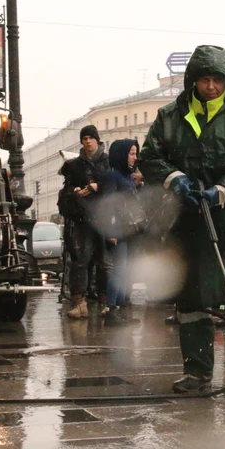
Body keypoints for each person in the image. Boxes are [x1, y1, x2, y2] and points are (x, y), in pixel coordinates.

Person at [139, 45, 225, 396]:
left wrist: (221, 190)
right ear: (193, 82)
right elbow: (150, 157)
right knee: (192, 298)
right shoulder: (170, 116)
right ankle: (198, 372)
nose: (211, 87)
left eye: (217, 80)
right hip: (188, 215)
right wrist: (176, 178)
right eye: (204, 80)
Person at [57, 125, 111, 319]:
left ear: (97, 139)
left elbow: (118, 186)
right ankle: (80, 303)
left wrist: (99, 186)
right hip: (82, 219)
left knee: (104, 262)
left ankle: (107, 302)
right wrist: (75, 192)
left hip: (104, 217)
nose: (87, 141)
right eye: (84, 138)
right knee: (80, 260)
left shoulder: (108, 162)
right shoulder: (74, 165)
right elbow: (66, 191)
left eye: (90, 138)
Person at [99, 138, 141, 326]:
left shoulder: (127, 177)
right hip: (119, 231)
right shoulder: (112, 176)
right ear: (121, 154)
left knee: (127, 271)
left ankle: (122, 309)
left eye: (135, 153)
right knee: (119, 270)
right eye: (131, 153)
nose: (135, 157)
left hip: (130, 230)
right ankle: (111, 310)